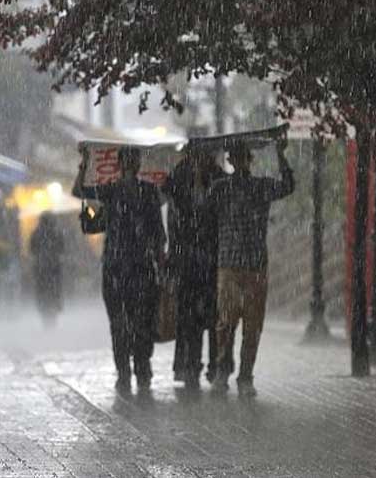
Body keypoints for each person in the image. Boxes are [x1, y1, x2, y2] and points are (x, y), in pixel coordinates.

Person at [74, 147, 166, 393]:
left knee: (142, 322)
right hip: (116, 268)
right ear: (122, 164)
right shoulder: (111, 192)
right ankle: (125, 371)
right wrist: (84, 164)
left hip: (141, 267)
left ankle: (141, 368)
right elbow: (79, 191)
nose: (131, 165)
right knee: (120, 323)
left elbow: (157, 232)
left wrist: (160, 259)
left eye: (133, 161)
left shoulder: (148, 193)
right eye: (128, 161)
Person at [208, 137, 294, 398]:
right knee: (226, 322)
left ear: (249, 160)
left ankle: (246, 375)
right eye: (235, 157)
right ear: (231, 161)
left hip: (255, 264)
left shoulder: (261, 186)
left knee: (252, 325)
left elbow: (288, 185)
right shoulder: (220, 188)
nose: (240, 162)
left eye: (243, 157)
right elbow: (201, 208)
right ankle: (223, 369)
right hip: (229, 265)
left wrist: (281, 155)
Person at [163, 146, 231, 389]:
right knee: (188, 319)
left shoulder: (219, 179)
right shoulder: (180, 179)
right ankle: (189, 366)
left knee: (214, 318)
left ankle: (216, 366)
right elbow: (169, 195)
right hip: (188, 262)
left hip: (212, 261)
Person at [30, 212, 65, 325]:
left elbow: (32, 249)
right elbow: (62, 248)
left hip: (41, 268)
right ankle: (54, 309)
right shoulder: (56, 232)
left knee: (42, 291)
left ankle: (45, 312)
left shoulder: (36, 233)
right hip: (54, 267)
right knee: (54, 290)